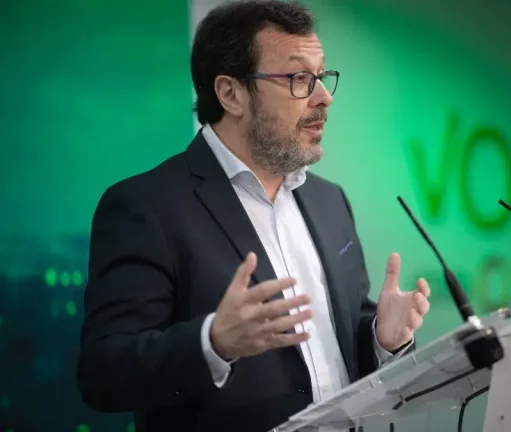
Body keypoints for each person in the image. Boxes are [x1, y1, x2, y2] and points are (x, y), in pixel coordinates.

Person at [75, 1, 431, 431]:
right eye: (300, 78)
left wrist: (381, 337)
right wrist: (214, 343)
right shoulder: (146, 206)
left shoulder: (329, 200)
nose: (324, 97)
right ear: (230, 93)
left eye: (322, 76)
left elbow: (335, 342)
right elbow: (103, 375)